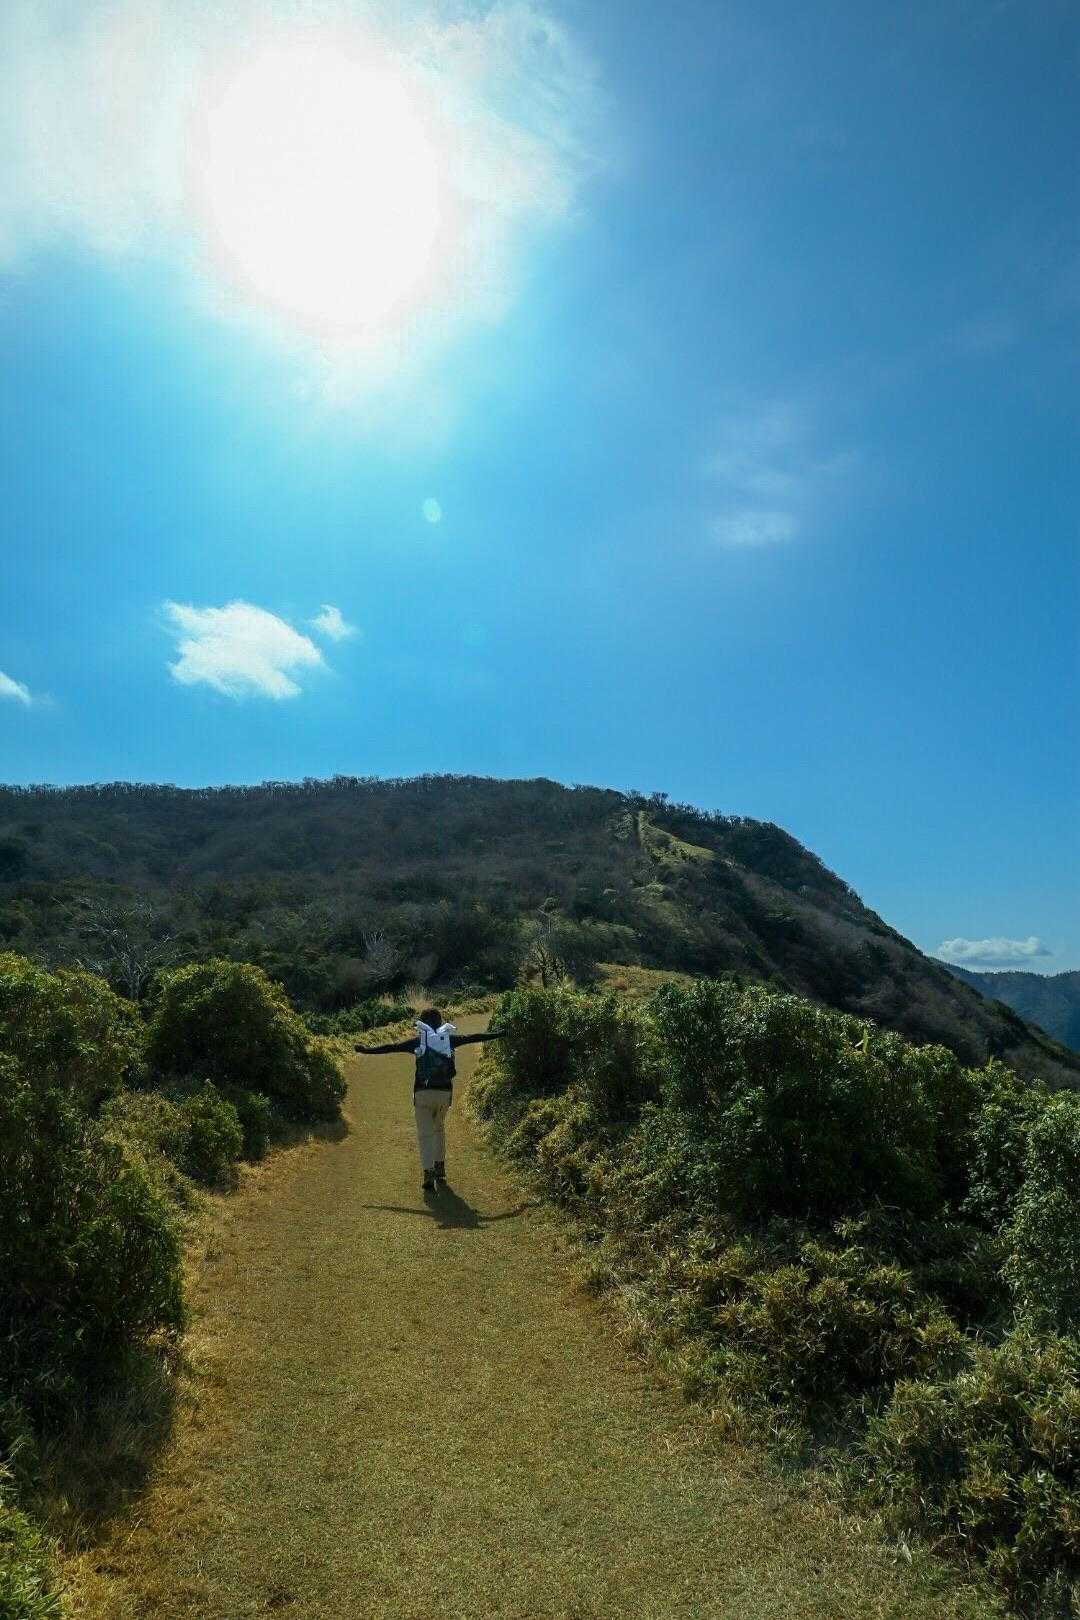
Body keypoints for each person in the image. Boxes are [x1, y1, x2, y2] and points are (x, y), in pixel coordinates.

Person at [354, 1007, 504, 1192]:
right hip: (444, 1093)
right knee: (439, 1129)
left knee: (425, 1134)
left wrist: (365, 1050)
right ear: (440, 1022)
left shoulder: (419, 1041)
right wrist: (500, 1033)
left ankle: (428, 1172)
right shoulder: (448, 1039)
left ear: (423, 1024)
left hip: (422, 1093)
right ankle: (440, 1167)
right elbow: (475, 1037)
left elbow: (391, 1047)